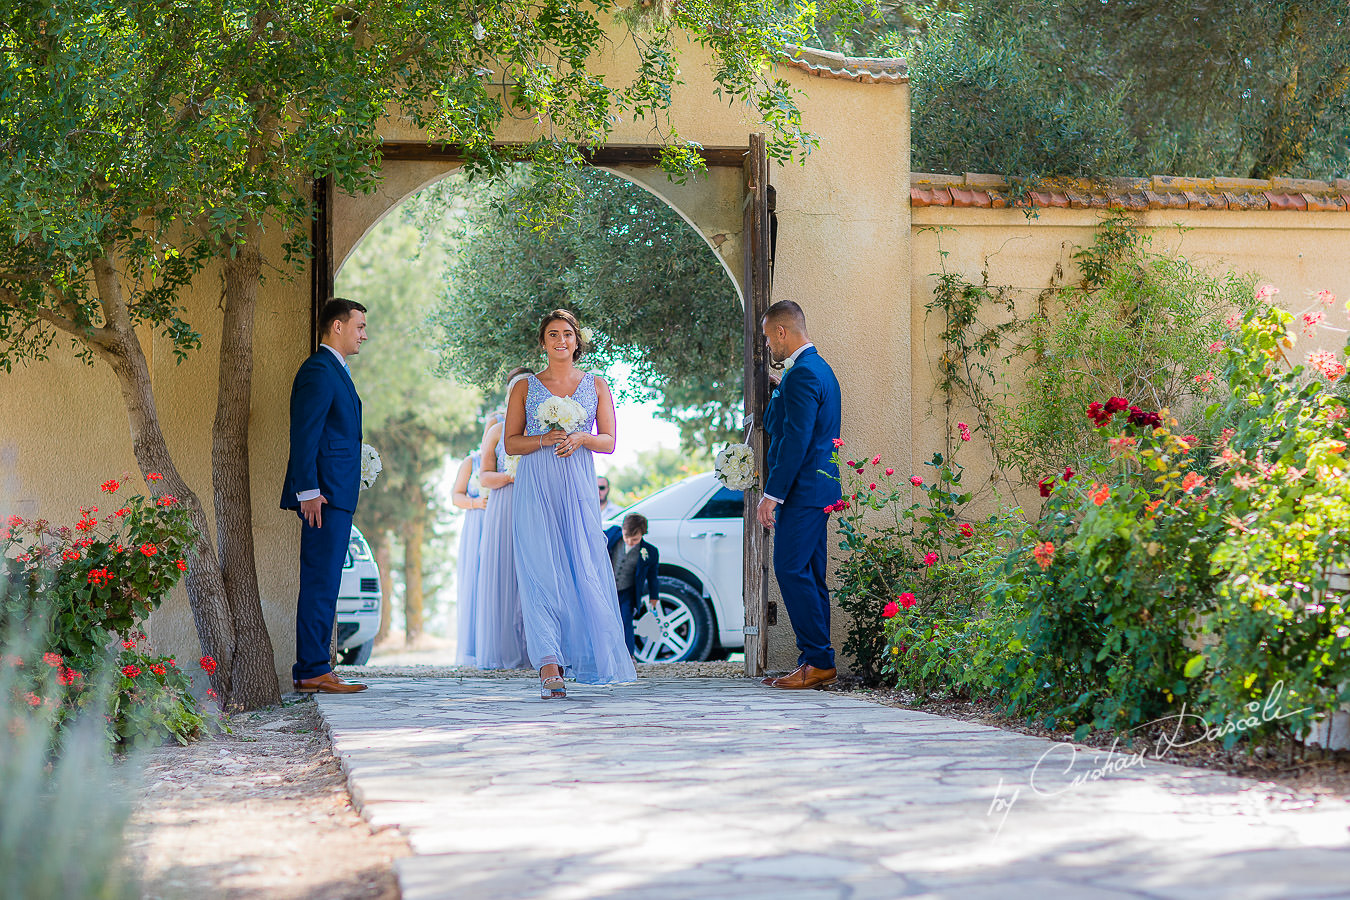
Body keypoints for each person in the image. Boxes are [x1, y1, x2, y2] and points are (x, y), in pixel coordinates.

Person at [505, 309, 637, 698]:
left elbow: (609, 441)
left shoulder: (596, 384)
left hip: (578, 486)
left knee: (583, 565)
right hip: (536, 485)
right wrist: (546, 438)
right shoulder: (525, 388)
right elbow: (512, 443)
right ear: (542, 342)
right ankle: (549, 666)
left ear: (577, 341)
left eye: (567, 334)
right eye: (552, 334)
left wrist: (580, 438)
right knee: (540, 571)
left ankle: (590, 657)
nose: (560, 340)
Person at [280, 297, 370, 695]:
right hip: (323, 497)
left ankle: (317, 666)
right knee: (320, 580)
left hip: (336, 493)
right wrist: (310, 490)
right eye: (359, 327)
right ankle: (312, 669)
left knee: (328, 580)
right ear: (337, 326)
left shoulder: (337, 370)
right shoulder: (318, 370)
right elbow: (305, 434)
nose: (364, 334)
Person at [755, 299, 843, 690]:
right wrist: (779, 392)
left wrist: (772, 494)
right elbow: (780, 421)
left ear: (781, 332)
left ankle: (819, 661)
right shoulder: (814, 371)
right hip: (817, 489)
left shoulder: (804, 375)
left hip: (803, 490)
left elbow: (795, 440)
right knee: (808, 573)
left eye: (767, 339)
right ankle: (816, 661)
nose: (768, 348)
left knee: (790, 570)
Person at [470, 370, 533, 669]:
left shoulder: (542, 426)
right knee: (505, 573)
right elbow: (484, 476)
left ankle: (540, 649)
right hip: (504, 507)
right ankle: (506, 649)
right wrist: (510, 476)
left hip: (535, 505)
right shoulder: (496, 430)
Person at [451, 414, 497, 667]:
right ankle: (475, 648)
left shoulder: (509, 463)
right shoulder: (472, 461)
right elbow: (456, 496)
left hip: (502, 525)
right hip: (477, 526)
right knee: (476, 581)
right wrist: (476, 503)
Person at [604, 513, 661, 659]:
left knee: (626, 621)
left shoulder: (650, 552)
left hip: (627, 592)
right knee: (603, 620)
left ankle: (629, 655)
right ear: (622, 530)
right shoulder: (611, 534)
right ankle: (604, 655)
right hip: (606, 589)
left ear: (643, 534)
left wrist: (654, 597)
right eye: (626, 537)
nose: (629, 541)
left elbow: (653, 577)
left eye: (635, 539)